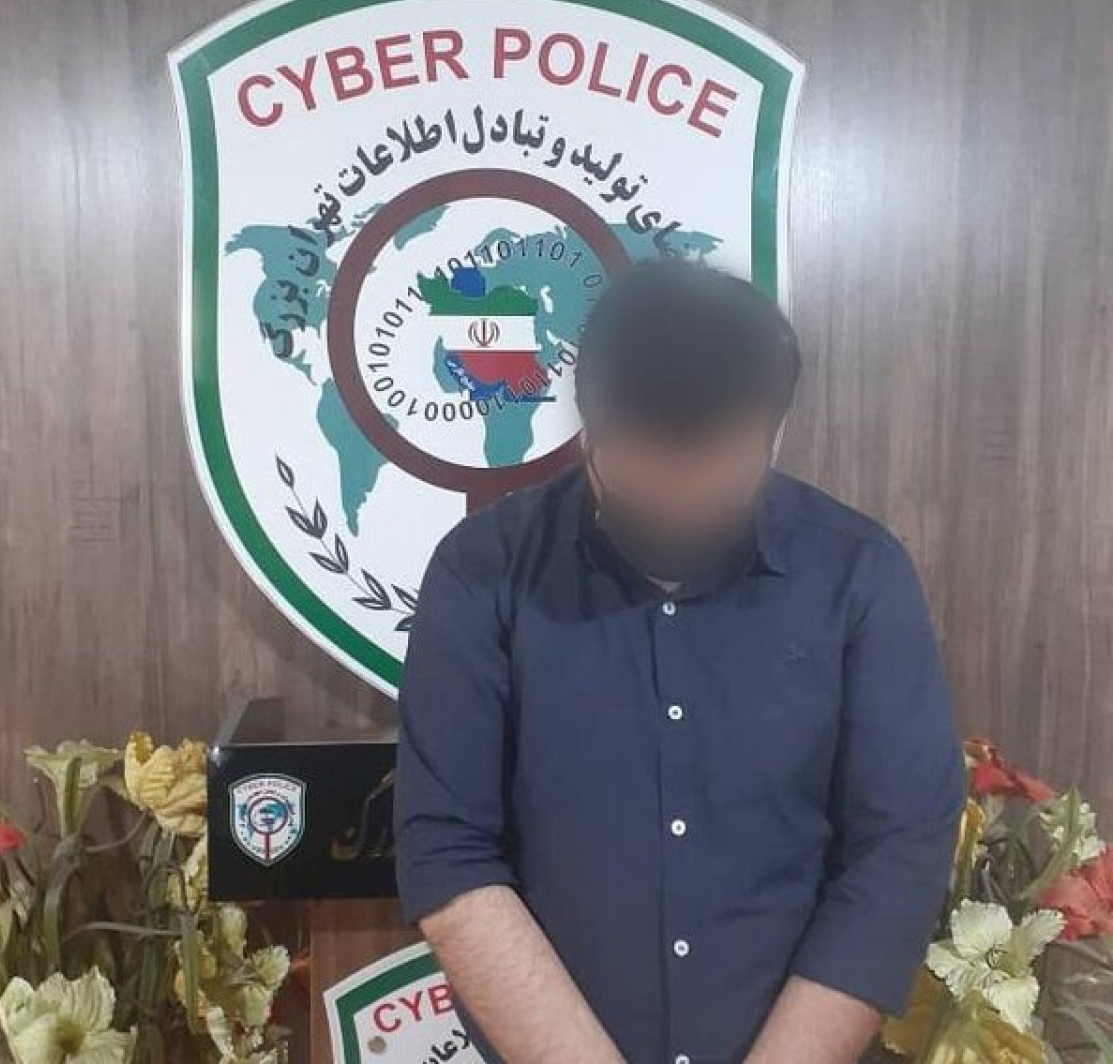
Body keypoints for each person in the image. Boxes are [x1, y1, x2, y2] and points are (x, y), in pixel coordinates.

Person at [394, 259, 965, 1064]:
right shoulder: (481, 572)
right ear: (591, 431)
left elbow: (900, 847)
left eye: (712, 472)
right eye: (652, 470)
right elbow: (448, 853)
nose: (681, 499)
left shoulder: (858, 574)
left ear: (767, 438)